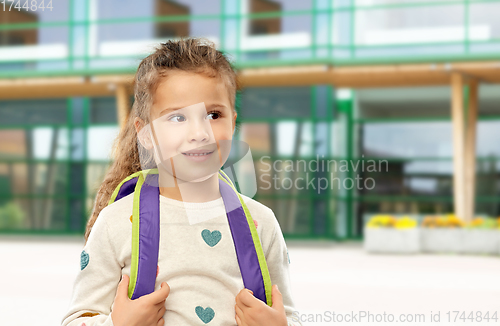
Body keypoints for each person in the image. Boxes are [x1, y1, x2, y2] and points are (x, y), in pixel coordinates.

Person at [61, 37, 302, 326]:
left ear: (233, 122)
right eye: (177, 118)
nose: (199, 133)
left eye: (214, 114)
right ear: (146, 134)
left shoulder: (261, 222)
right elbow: (76, 319)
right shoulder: (116, 224)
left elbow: (288, 315)